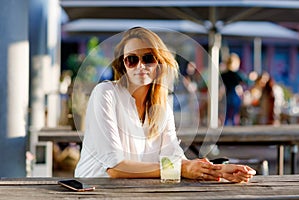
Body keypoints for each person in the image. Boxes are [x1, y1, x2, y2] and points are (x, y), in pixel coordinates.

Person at [75, 27, 255, 182]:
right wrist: (181, 169)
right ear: (123, 65)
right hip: (92, 191)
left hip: (133, 191)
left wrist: (219, 172)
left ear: (159, 63)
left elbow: (173, 156)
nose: (140, 66)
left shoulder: (162, 105)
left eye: (148, 58)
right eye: (132, 59)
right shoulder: (105, 93)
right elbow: (115, 168)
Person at [221, 53, 247, 126]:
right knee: (234, 115)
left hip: (227, 96)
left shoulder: (223, 74)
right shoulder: (237, 74)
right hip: (235, 96)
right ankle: (234, 127)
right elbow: (246, 82)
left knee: (226, 115)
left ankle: (225, 127)